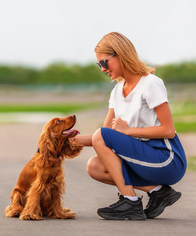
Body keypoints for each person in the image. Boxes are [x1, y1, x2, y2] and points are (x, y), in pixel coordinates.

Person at [75, 32, 187, 220]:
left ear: (120, 54)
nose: (102, 69)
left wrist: (127, 131)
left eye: (104, 63)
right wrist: (67, 140)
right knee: (94, 166)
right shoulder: (117, 90)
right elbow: (104, 136)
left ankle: (130, 201)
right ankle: (158, 192)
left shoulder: (151, 84)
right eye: (99, 65)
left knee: (101, 136)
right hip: (143, 156)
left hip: (167, 159)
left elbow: (168, 130)